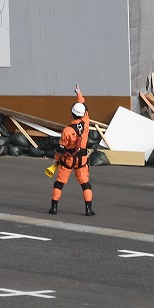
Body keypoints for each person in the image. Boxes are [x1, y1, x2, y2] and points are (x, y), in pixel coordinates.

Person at [50, 86, 94, 216]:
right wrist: (79, 93)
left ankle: (54, 207)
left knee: (59, 183)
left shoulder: (67, 131)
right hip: (82, 160)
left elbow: (61, 148)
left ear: (72, 113)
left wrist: (56, 160)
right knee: (85, 184)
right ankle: (88, 209)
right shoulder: (86, 122)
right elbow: (83, 104)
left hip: (68, 160)